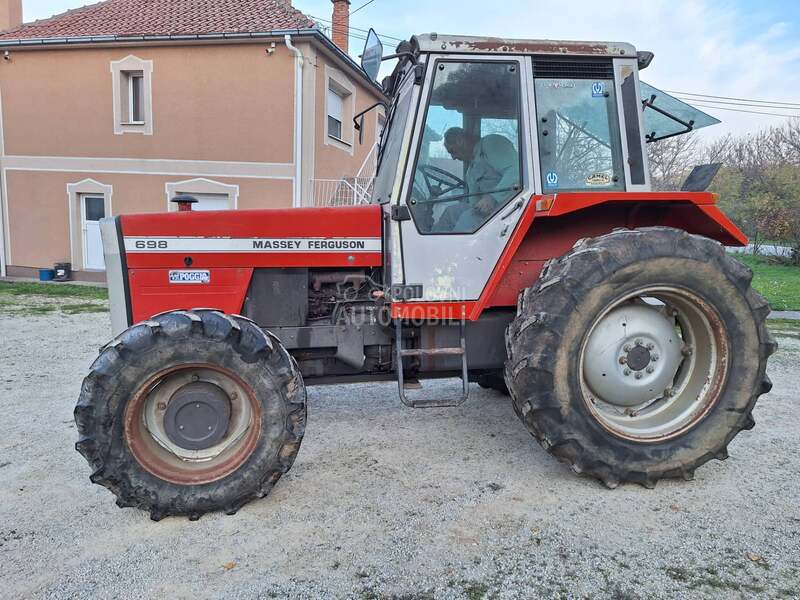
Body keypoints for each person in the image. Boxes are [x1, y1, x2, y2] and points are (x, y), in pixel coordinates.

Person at [433, 127, 519, 232]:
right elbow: (474, 202)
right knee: (451, 212)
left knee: (467, 219)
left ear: (460, 141)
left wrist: (493, 197)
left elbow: (517, 170)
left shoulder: (491, 144)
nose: (453, 157)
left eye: (452, 151)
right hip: (489, 210)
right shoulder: (471, 170)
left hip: (510, 206)